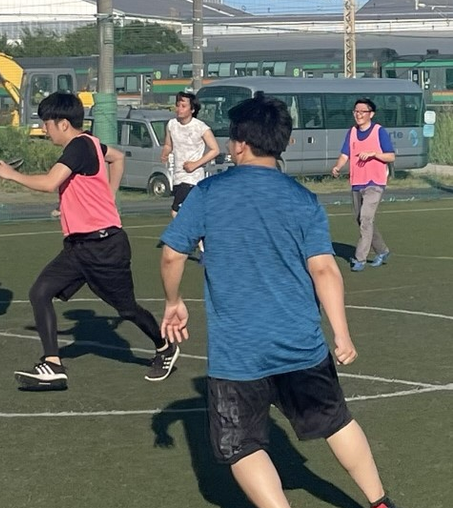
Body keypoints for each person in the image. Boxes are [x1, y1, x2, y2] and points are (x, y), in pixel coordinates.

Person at [159, 93, 400, 508]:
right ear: (284, 142)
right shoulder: (303, 199)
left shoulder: (209, 193)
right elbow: (325, 270)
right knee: (336, 422)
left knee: (242, 445)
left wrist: (173, 301)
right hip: (299, 343)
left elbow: (171, 255)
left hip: (239, 353)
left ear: (238, 144)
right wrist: (341, 334)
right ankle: (380, 503)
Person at [0, 93, 180, 390]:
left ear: (63, 123)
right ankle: (53, 364)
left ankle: (164, 347)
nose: (45, 130)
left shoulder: (78, 146)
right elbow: (117, 157)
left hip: (104, 247)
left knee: (127, 309)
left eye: (47, 124)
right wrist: (107, 195)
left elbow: (50, 182)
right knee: (40, 292)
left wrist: (12, 175)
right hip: (79, 248)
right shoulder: (90, 143)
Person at [330, 98, 394, 272]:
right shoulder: (351, 132)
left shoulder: (379, 131)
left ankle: (360, 259)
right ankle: (382, 250)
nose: (358, 115)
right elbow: (345, 154)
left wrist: (374, 154)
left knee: (366, 219)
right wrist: (337, 166)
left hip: (375, 183)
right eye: (356, 111)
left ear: (370, 114)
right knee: (362, 220)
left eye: (362, 112)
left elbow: (390, 156)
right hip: (357, 182)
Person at [160, 91, 221, 221]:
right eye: (178, 105)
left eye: (183, 106)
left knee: (176, 211)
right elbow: (168, 144)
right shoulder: (172, 124)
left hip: (192, 178)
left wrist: (195, 164)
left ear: (192, 109)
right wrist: (165, 152)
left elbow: (215, 150)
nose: (179, 109)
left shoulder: (200, 127)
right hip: (178, 176)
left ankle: (183, 234)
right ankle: (200, 234)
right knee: (191, 213)